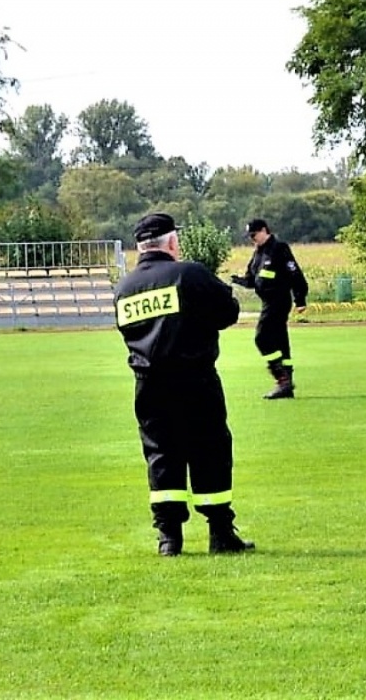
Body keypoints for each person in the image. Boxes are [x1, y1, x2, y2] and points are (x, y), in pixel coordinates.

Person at [113, 212, 254, 556]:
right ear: (173, 242)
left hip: (149, 385)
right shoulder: (187, 274)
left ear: (139, 247)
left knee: (161, 453)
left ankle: (169, 538)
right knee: (209, 449)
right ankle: (220, 533)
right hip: (195, 379)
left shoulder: (124, 288)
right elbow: (228, 312)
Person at [231, 218, 309, 399]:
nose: (252, 239)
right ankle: (286, 384)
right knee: (281, 341)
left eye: (254, 235)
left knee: (262, 338)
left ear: (264, 230)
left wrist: (300, 299)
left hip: (278, 301)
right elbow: (251, 280)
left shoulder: (279, 248)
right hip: (267, 302)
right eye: (249, 236)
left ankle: (281, 378)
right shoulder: (258, 254)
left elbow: (295, 273)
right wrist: (237, 280)